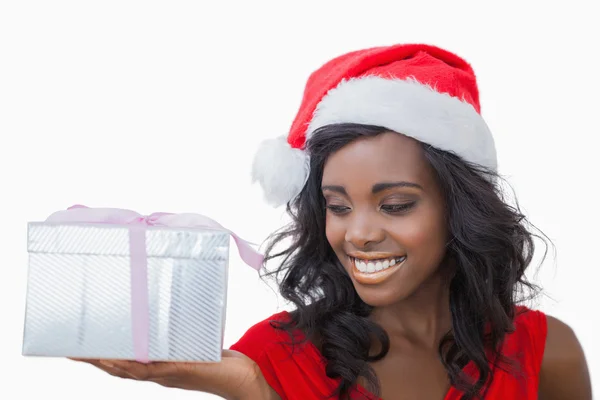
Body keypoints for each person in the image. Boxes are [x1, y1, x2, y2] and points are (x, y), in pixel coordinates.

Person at [73, 44, 592, 399]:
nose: (358, 233)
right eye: (338, 207)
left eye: (395, 204)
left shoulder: (548, 353)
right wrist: (252, 389)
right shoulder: (271, 356)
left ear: (461, 209)